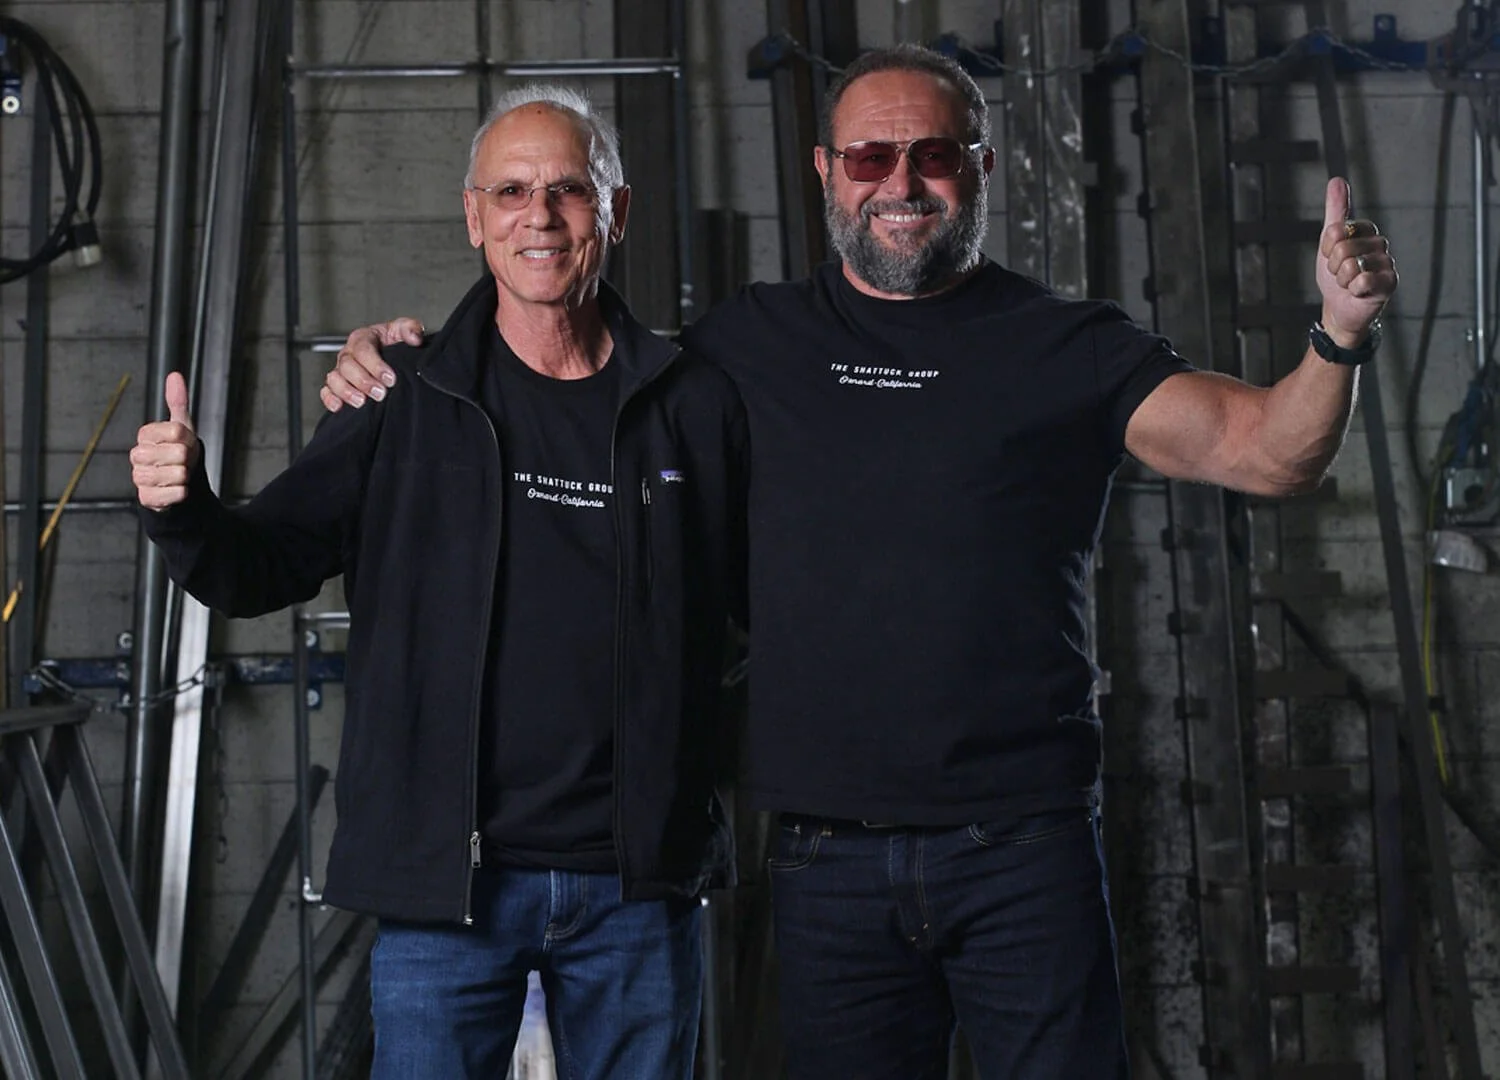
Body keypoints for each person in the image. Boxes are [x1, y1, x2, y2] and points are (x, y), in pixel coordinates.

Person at [323, 46, 1397, 1080]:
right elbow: (568, 375)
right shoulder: (742, 348)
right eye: (871, 157)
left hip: (1021, 846)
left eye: (933, 155)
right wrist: (405, 366)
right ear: (828, 172)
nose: (901, 184)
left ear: (979, 166)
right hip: (827, 860)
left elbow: (1269, 452)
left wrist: (1339, 333)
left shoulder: (1065, 345)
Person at [131, 85, 748, 1079]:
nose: (539, 217)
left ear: (616, 212)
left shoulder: (693, 404)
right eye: (510, 192)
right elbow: (260, 564)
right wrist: (183, 507)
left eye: (569, 190)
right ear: (473, 217)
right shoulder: (400, 396)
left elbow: (760, 611)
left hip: (637, 891)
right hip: (447, 890)